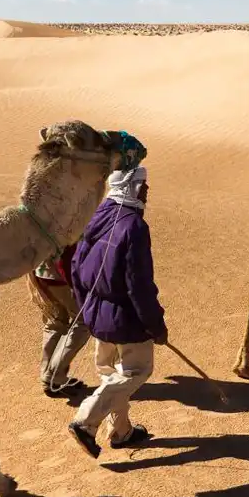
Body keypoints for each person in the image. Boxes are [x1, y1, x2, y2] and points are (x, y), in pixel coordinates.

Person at [65, 165, 168, 458]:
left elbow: (76, 268)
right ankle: (85, 422)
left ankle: (121, 432)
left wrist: (87, 308)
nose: (147, 191)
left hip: (98, 314)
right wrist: (155, 325)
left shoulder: (97, 216)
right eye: (143, 185)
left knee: (111, 373)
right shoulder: (134, 226)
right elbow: (139, 284)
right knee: (136, 371)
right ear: (131, 187)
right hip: (125, 319)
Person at [27, 243, 92, 398]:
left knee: (55, 322)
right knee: (83, 320)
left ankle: (47, 377)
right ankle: (55, 376)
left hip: (41, 271)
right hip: (60, 275)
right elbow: (67, 251)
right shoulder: (70, 218)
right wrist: (73, 282)